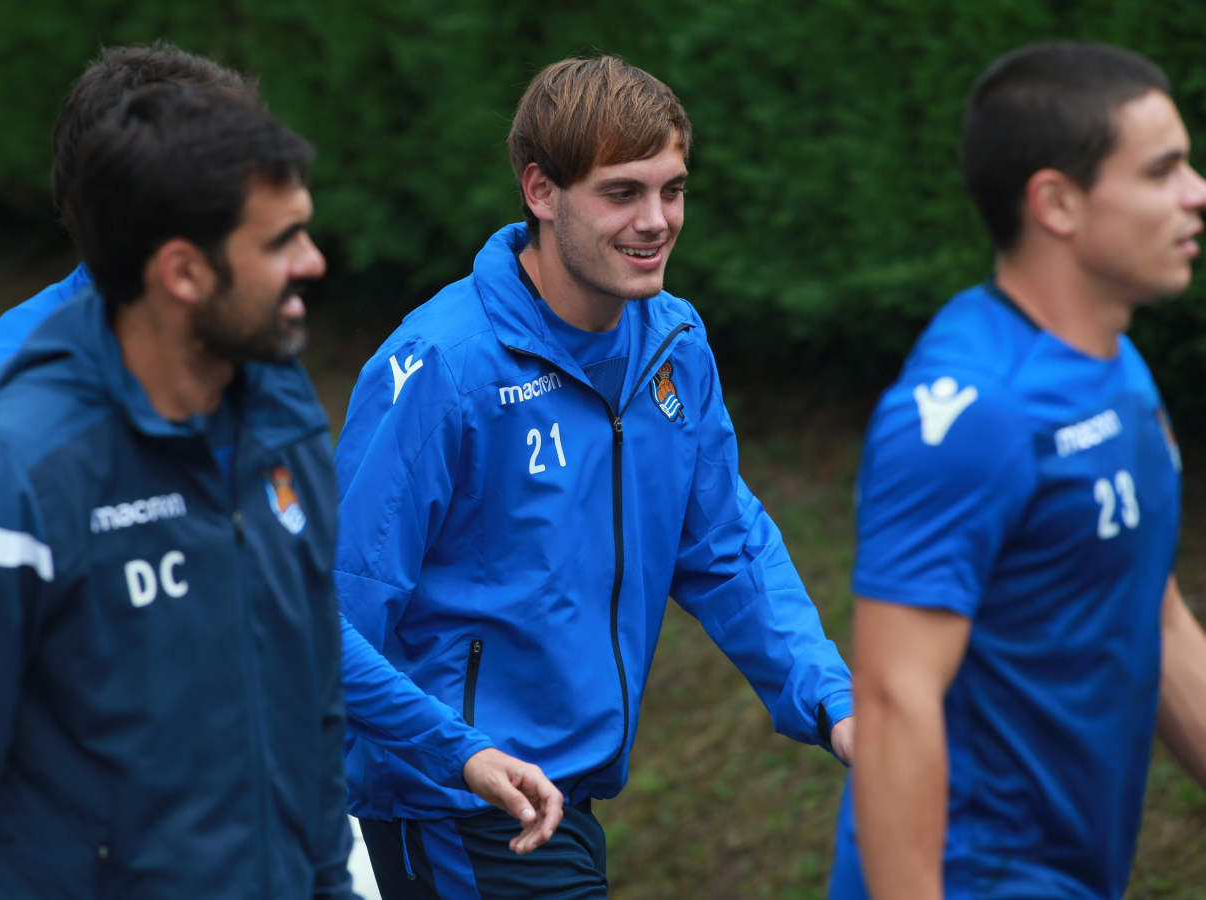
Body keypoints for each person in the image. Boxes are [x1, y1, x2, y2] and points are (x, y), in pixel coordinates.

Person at [0, 42, 563, 854]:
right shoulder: (4, 416)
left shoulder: (259, 383)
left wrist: (457, 752)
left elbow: (291, 615)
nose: (305, 254)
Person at [333, 55, 855, 897]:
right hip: (457, 808)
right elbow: (322, 620)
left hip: (566, 802)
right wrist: (459, 754)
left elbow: (726, 550)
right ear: (540, 191)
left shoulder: (673, 343)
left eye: (672, 190)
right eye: (621, 193)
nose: (655, 221)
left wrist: (836, 703)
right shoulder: (445, 367)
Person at [0, 81, 356, 896]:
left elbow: (312, 712)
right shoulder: (2, 473)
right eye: (279, 242)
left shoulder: (282, 427)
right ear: (182, 272)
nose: (312, 262)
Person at [830, 41, 1206, 899]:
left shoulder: (1117, 366)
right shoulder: (969, 414)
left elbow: (1156, 617)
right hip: (976, 875)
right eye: (1161, 171)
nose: (1196, 192)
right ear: (1057, 204)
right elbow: (892, 700)